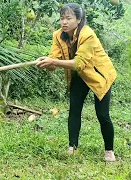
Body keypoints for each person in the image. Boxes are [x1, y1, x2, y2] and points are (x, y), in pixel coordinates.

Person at [36, 3, 117, 162]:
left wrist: (53, 61)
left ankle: (109, 150)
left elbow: (79, 63)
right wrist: (46, 64)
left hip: (100, 76)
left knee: (102, 114)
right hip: (79, 76)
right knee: (74, 111)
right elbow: (54, 61)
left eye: (68, 18)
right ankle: (72, 147)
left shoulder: (88, 35)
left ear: (78, 20)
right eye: (61, 18)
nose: (64, 22)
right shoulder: (58, 36)